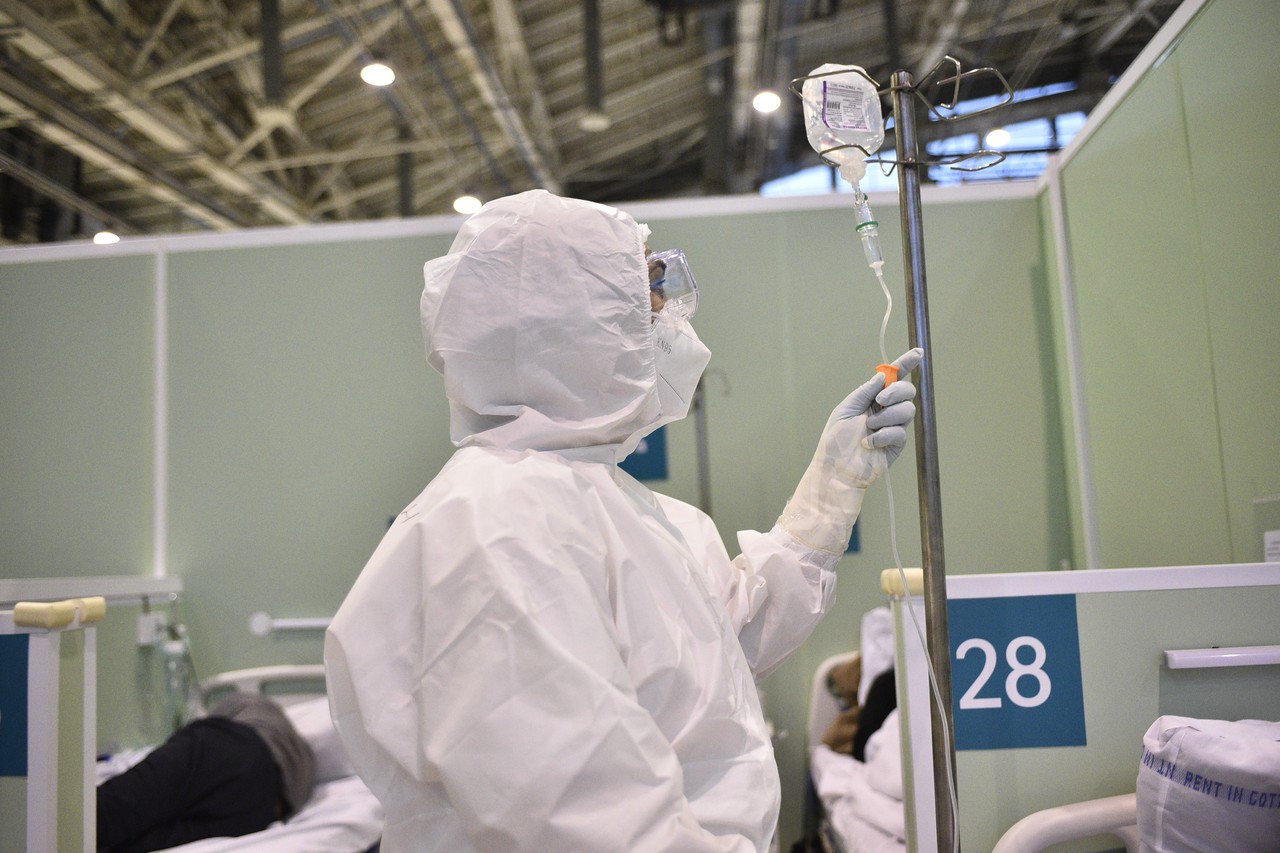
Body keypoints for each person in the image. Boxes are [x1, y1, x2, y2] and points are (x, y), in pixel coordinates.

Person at [325, 189, 922, 852]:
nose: (670, 310)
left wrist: (831, 488)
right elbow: (592, 820)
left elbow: (722, 649)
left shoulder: (616, 504)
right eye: (646, 287)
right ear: (563, 322)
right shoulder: (493, 529)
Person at [96, 693, 315, 853]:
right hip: (263, 809)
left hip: (233, 750)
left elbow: (204, 731)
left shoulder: (249, 705)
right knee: (139, 843)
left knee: (113, 809)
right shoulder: (305, 761)